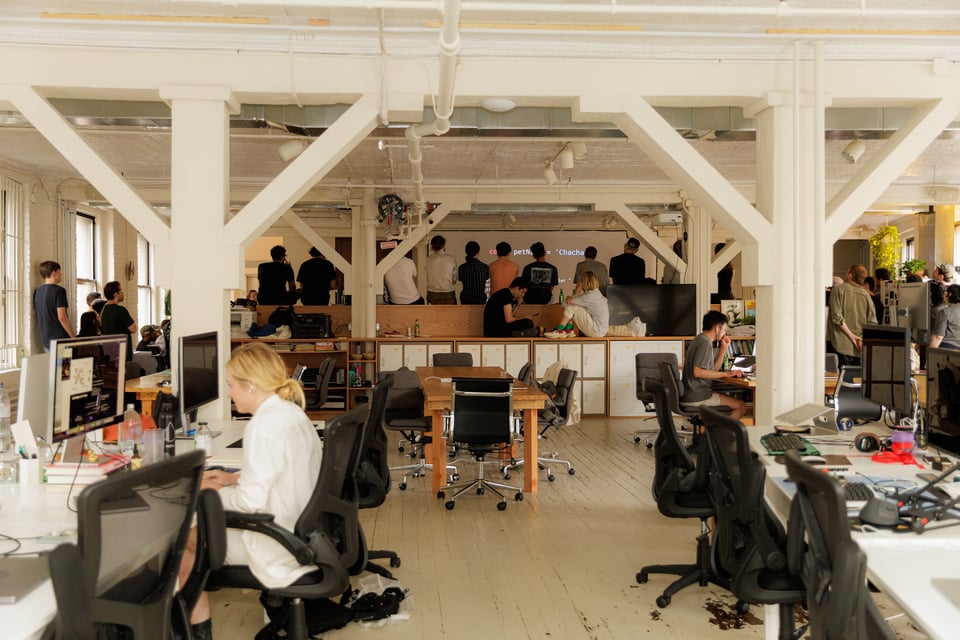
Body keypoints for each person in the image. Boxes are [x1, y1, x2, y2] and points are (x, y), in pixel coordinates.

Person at [177, 341, 323, 640]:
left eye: (231, 385)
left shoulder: (263, 426)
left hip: (276, 539)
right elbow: (283, 470)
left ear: (251, 386)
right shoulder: (289, 413)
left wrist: (206, 494)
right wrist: (233, 479)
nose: (229, 393)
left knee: (178, 545)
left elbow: (249, 504)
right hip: (301, 529)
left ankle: (195, 633)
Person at [680, 310, 747, 420]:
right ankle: (721, 435)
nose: (724, 333)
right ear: (717, 328)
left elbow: (713, 370)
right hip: (697, 396)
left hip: (692, 394)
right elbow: (697, 372)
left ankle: (713, 433)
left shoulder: (700, 339)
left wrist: (723, 348)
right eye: (724, 329)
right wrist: (726, 374)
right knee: (741, 406)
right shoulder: (704, 343)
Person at [827, 264, 877, 367]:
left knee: (839, 380)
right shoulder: (866, 296)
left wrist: (852, 336)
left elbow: (836, 317)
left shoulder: (838, 290)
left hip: (840, 345)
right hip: (859, 348)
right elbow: (872, 323)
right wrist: (860, 339)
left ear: (851, 274)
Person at [547, 271, 609, 337]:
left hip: (596, 331)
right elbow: (575, 300)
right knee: (574, 305)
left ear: (584, 282)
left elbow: (569, 301)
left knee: (572, 306)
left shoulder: (589, 296)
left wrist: (578, 289)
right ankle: (569, 329)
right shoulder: (596, 294)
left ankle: (559, 330)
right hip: (602, 331)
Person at [33, 260, 75, 352]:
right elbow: (62, 317)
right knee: (65, 366)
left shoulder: (38, 291)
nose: (61, 274)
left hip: (46, 338)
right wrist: (73, 336)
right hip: (61, 339)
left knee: (52, 366)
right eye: (59, 271)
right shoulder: (59, 291)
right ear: (54, 273)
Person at [100, 280, 137, 360]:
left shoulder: (104, 310)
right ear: (116, 294)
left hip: (110, 351)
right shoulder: (120, 310)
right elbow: (133, 329)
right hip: (122, 350)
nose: (123, 294)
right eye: (121, 292)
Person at [425, 235, 458, 304]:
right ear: (443, 245)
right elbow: (454, 280)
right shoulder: (451, 259)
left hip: (432, 294)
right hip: (448, 294)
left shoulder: (428, 260)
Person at [458, 240, 489, 305]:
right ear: (478, 252)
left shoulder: (462, 268)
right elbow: (486, 278)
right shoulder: (485, 267)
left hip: (466, 299)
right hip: (480, 299)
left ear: (466, 252)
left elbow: (461, 280)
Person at [930, 284, 960, 350]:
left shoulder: (944, 312)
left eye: (945, 292)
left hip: (947, 348)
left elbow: (938, 337)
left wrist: (929, 356)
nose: (943, 295)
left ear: (949, 294)